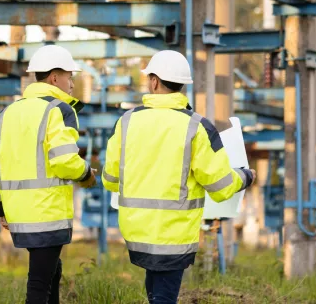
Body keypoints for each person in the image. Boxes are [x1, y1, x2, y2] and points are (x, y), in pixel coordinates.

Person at [102, 50, 255, 304]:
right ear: (183, 86)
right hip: (174, 235)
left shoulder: (127, 121)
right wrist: (245, 177)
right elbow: (220, 186)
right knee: (163, 296)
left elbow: (109, 178)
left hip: (137, 232)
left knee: (155, 291)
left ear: (154, 81)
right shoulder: (197, 126)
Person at [0, 44, 97, 304]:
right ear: (55, 78)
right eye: (69, 76)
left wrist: (1, 210)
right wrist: (86, 174)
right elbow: (65, 161)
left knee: (51, 273)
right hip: (48, 214)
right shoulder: (59, 110)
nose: (72, 84)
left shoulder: (6, 114)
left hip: (19, 216)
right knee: (39, 284)